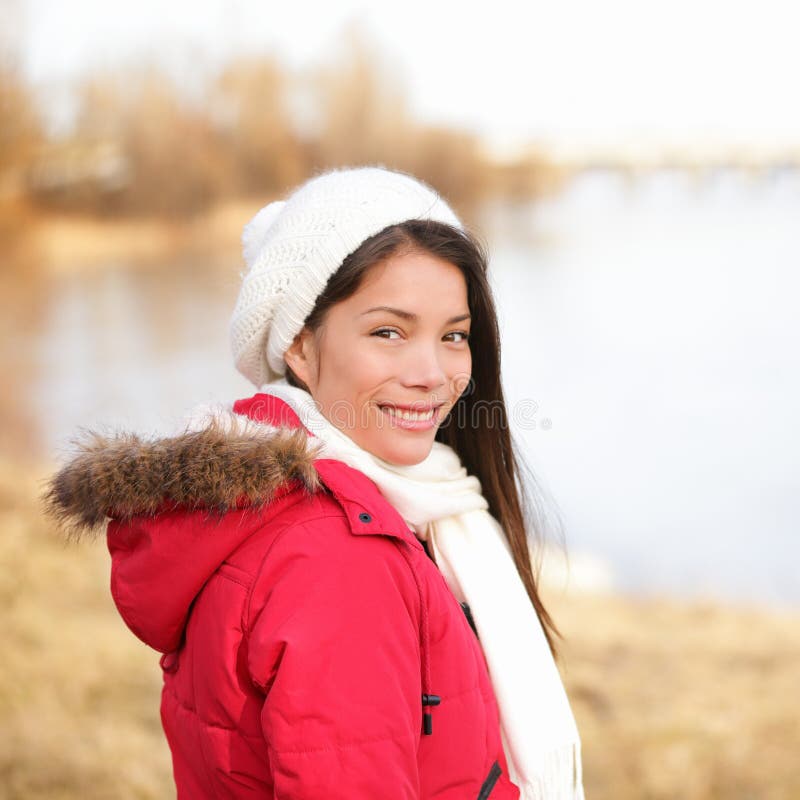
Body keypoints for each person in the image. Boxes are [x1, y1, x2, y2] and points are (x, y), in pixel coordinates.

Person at [44, 165, 584, 799]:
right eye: (389, 332)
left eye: (454, 336)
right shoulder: (342, 554)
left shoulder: (297, 506)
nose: (433, 373)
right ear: (299, 347)